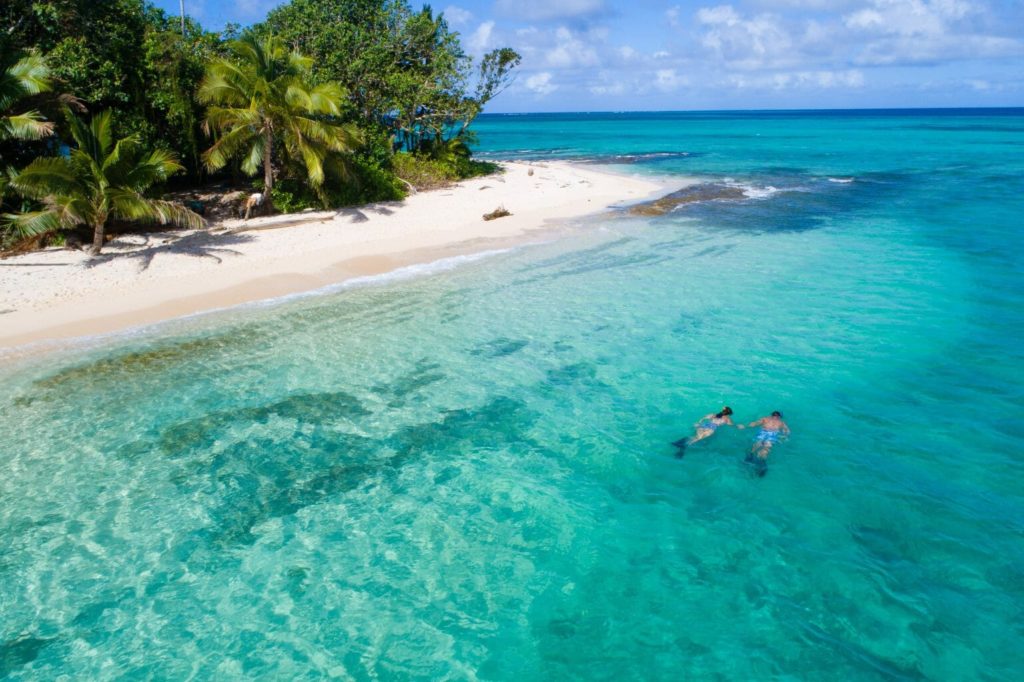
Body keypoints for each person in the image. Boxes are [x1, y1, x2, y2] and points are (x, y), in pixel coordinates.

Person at [672, 406, 738, 457]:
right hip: (711, 428)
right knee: (696, 439)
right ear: (728, 414)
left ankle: (679, 443)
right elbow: (732, 425)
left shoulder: (713, 414)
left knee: (694, 437)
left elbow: (703, 418)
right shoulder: (727, 419)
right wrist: (738, 426)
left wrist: (698, 423)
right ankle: (681, 450)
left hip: (704, 425)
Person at [745, 411, 790, 476]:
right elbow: (787, 431)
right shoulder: (782, 423)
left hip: (763, 432)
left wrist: (746, 426)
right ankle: (762, 463)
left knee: (756, 445)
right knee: (766, 449)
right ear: (779, 417)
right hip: (772, 435)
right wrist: (785, 437)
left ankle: (750, 457)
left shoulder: (765, 418)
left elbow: (755, 423)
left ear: (771, 415)